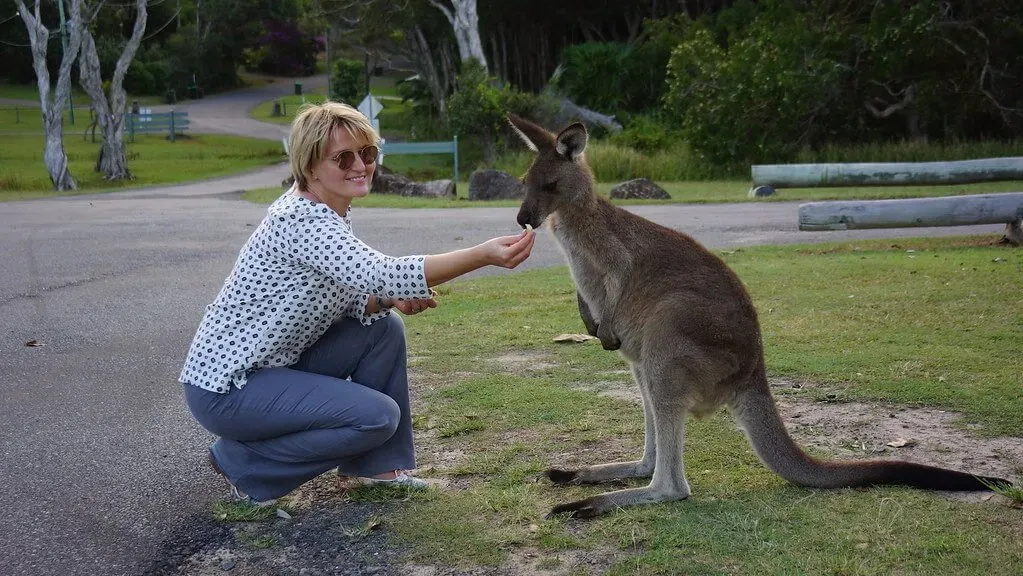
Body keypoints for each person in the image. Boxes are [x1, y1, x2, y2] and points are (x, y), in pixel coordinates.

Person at [180, 101, 535, 505]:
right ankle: (243, 463)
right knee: (376, 417)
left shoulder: (329, 210)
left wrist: (386, 301)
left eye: (367, 154)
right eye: (342, 157)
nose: (360, 165)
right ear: (310, 166)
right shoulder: (302, 221)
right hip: (229, 388)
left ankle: (377, 470)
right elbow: (381, 271)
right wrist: (482, 255)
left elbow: (344, 294)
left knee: (382, 328)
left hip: (273, 366)